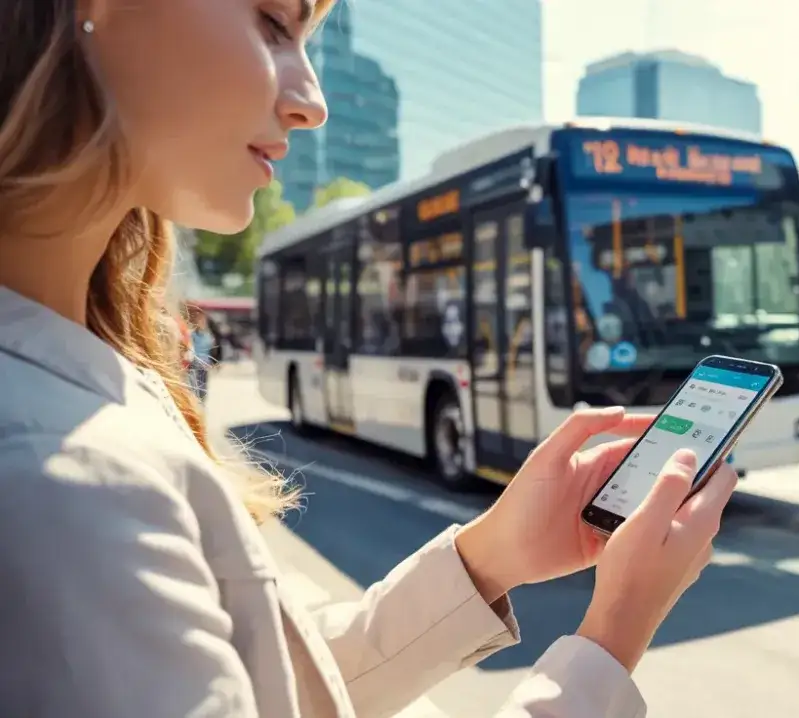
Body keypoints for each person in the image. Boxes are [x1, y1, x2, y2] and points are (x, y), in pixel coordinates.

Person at [0, 4, 735, 717]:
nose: (313, 102)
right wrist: (613, 636)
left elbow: (275, 685)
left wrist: (489, 556)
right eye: (274, 23)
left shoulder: (78, 385)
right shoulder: (62, 485)